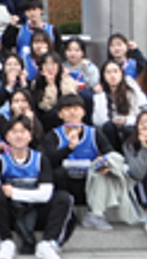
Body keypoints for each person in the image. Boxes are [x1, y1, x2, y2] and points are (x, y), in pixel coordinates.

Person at [0, 115, 75, 259]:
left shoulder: (40, 159)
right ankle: (6, 242)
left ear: (30, 136)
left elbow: (45, 195)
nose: (18, 135)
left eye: (23, 131)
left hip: (36, 212)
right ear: (7, 137)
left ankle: (47, 244)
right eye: (14, 132)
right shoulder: (1, 160)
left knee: (63, 198)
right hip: (13, 213)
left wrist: (14, 193)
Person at [42, 94, 115, 231]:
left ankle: (95, 214)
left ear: (83, 112)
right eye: (67, 109)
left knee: (107, 169)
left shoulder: (94, 133)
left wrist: (103, 162)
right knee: (57, 172)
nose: (72, 112)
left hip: (89, 182)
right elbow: (50, 160)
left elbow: (110, 153)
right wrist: (70, 148)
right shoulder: (53, 135)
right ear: (60, 114)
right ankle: (67, 211)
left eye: (76, 108)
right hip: (66, 183)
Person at [92, 60, 147, 152]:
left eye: (115, 71)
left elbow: (143, 110)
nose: (112, 75)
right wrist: (100, 95)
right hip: (112, 130)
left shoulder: (132, 90)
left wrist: (127, 120)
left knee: (129, 129)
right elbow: (98, 121)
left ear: (121, 73)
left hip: (131, 126)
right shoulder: (100, 96)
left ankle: (131, 156)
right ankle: (114, 156)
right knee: (108, 127)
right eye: (108, 72)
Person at [31, 52, 80, 132]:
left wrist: (64, 81)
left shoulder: (68, 80)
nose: (50, 67)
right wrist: (51, 85)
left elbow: (72, 99)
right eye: (46, 64)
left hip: (67, 115)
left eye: (53, 63)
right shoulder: (36, 84)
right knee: (54, 113)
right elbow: (46, 107)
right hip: (47, 119)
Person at [62, 37, 100, 121]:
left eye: (77, 50)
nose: (72, 53)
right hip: (68, 94)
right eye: (69, 50)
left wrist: (86, 70)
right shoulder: (62, 67)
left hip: (84, 95)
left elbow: (93, 85)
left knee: (87, 95)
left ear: (82, 52)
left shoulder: (89, 66)